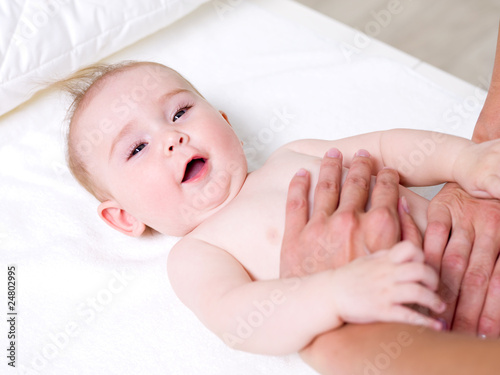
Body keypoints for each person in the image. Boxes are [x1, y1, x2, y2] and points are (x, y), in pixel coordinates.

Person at [60, 60, 500, 356]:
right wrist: (334, 293)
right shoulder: (199, 253)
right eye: (137, 147)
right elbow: (236, 317)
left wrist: (464, 160)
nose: (172, 138)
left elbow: (386, 148)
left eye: (180, 112)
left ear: (225, 123)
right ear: (123, 217)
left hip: (484, 248)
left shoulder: (295, 156)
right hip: (430, 342)